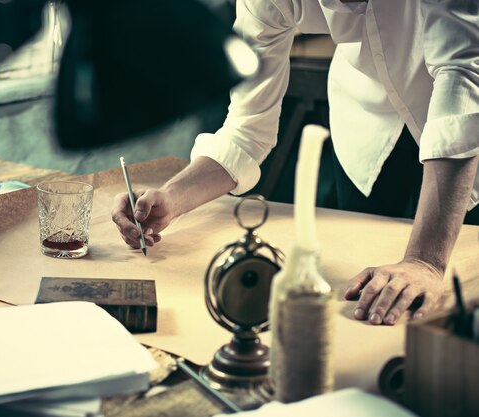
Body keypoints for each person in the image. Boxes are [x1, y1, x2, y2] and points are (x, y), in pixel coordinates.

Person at [111, 0, 479, 326]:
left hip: (467, 147)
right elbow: (247, 129)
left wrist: (425, 261)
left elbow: (463, 78)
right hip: (367, 135)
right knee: (369, 313)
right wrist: (172, 198)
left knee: (458, 314)